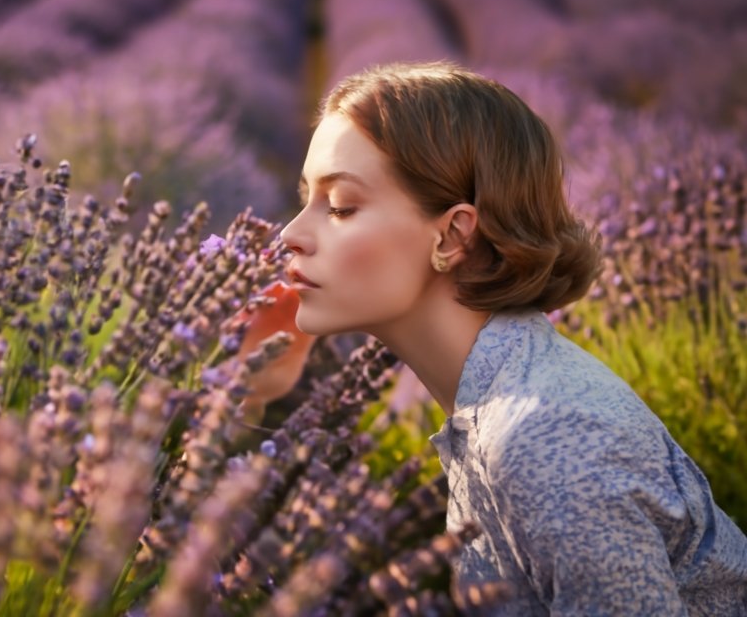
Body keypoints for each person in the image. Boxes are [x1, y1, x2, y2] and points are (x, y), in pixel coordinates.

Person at [279, 62, 747, 615]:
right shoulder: (493, 402)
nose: (290, 234)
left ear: (453, 236)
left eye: (339, 207)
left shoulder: (548, 436)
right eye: (307, 198)